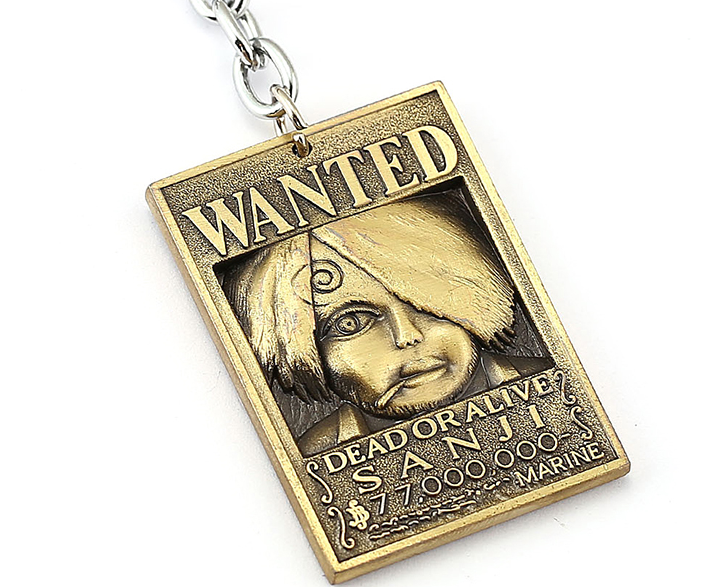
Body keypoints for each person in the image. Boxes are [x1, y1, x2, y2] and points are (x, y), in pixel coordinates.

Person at [224, 192, 550, 456]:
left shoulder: (551, 387)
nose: (408, 335)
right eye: (351, 322)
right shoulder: (316, 453)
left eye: (427, 300)